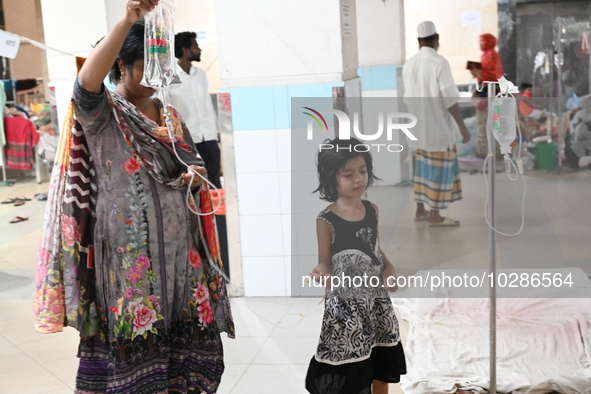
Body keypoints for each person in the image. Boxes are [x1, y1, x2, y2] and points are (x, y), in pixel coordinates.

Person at [33, 1, 234, 393]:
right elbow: (84, 85)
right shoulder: (104, 113)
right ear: (122, 65)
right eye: (146, 65)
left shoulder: (169, 116)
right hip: (130, 262)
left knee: (187, 346)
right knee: (135, 347)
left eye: (161, 64)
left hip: (182, 258)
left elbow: (193, 166)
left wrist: (196, 175)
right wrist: (127, 21)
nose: (155, 77)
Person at [306, 138, 406, 394]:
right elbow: (324, 261)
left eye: (362, 171)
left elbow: (376, 252)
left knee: (380, 364)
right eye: (348, 174)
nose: (358, 179)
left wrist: (390, 271)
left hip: (376, 302)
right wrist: (322, 272)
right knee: (351, 372)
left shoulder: (372, 210)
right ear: (332, 178)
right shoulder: (326, 219)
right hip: (345, 308)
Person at [402, 21, 471, 226]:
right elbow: (449, 99)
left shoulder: (409, 64)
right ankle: (434, 215)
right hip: (438, 130)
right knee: (438, 171)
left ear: (418, 41)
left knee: (421, 171)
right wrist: (462, 126)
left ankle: (420, 211)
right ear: (436, 39)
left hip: (417, 131)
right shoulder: (439, 63)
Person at [165, 31, 222, 189]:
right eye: (195, 46)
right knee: (193, 185)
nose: (199, 50)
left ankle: (217, 214)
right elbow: (167, 110)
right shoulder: (170, 76)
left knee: (214, 181)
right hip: (187, 140)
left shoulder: (201, 74)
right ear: (185, 50)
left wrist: (216, 133)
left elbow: (207, 106)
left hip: (208, 138)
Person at [470, 33, 504, 158]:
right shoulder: (485, 55)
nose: (480, 44)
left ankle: (491, 152)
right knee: (483, 123)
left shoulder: (492, 55)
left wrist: (480, 74)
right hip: (485, 90)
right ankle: (485, 152)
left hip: (490, 92)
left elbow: (494, 75)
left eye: (481, 41)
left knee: (490, 123)